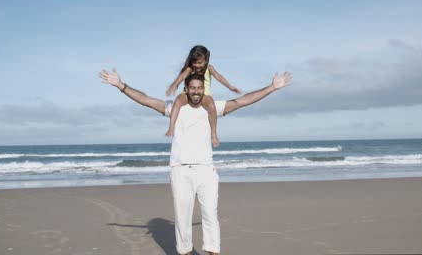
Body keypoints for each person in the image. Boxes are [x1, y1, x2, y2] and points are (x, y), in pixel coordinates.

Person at [99, 68, 292, 255]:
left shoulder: (212, 108)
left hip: (206, 170)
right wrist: (120, 85)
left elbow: (242, 101)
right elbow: (146, 100)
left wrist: (271, 87)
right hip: (180, 170)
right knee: (182, 218)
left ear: (204, 89)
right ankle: (185, 252)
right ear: (186, 89)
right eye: (192, 88)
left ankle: (213, 252)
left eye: (199, 88)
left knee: (210, 215)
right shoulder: (174, 108)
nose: (196, 91)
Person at [165, 45, 241, 147]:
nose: (197, 65)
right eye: (194, 62)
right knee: (177, 101)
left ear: (206, 60)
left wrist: (230, 86)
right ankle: (171, 127)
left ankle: (213, 134)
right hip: (188, 93)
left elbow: (219, 76)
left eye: (200, 62)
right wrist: (174, 86)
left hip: (205, 94)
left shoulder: (209, 68)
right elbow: (181, 77)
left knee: (212, 106)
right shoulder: (189, 69)